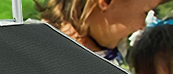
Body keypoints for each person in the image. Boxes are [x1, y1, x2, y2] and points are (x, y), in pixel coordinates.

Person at [35, 0, 165, 65]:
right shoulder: (39, 53)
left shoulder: (115, 48)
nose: (143, 26)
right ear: (104, 2)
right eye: (145, 12)